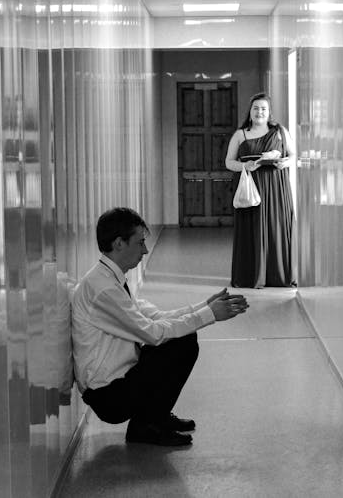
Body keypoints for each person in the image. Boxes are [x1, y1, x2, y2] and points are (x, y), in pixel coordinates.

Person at [71, 207, 249, 446]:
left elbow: (155, 317)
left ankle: (155, 418)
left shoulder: (110, 278)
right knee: (181, 343)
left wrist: (204, 307)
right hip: (108, 396)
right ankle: (146, 426)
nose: (145, 250)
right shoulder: (103, 289)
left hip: (119, 381)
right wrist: (209, 315)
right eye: (140, 242)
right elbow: (153, 334)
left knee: (183, 338)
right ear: (119, 244)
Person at [225, 92, 297, 288]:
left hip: (276, 188)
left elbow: (292, 155)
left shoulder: (280, 131)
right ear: (250, 112)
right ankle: (250, 276)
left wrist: (284, 163)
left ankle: (278, 276)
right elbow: (229, 162)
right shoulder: (241, 134)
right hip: (251, 188)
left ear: (269, 112)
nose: (259, 112)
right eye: (256, 108)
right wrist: (245, 167)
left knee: (276, 228)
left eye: (263, 108)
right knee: (252, 229)